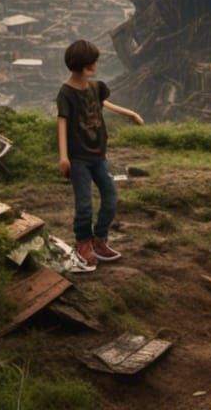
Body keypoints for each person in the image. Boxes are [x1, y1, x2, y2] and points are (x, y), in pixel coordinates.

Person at [57, 39, 144, 269]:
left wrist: (130, 114)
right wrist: (64, 157)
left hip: (98, 155)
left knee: (110, 198)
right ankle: (83, 243)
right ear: (87, 64)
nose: (96, 64)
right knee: (84, 204)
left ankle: (99, 239)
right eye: (93, 61)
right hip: (78, 158)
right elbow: (62, 123)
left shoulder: (96, 87)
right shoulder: (66, 93)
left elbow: (105, 104)